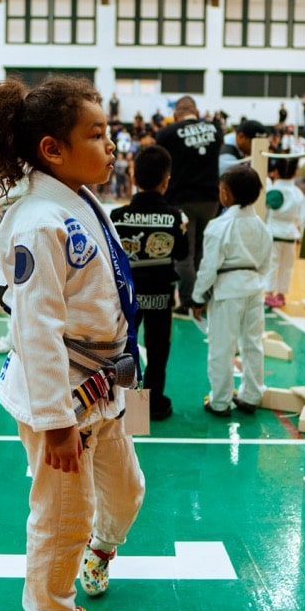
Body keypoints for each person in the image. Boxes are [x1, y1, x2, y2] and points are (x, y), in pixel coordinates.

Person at [0, 76, 145, 611]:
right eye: (96, 134)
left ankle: (101, 550)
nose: (111, 144)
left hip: (107, 384)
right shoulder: (38, 221)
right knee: (62, 513)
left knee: (127, 492)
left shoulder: (80, 200)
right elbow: (33, 330)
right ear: (52, 149)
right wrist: (55, 420)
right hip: (65, 396)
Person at [111, 145, 189, 421]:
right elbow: (181, 253)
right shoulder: (175, 217)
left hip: (126, 297)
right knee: (157, 351)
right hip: (160, 296)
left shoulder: (117, 217)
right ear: (167, 181)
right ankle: (153, 404)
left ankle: (129, 409)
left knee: (126, 349)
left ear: (133, 178)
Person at [191, 165, 272, 417]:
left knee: (221, 348)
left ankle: (220, 401)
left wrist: (197, 296)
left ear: (225, 193)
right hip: (253, 287)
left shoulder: (219, 225)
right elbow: (266, 263)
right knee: (253, 344)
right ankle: (251, 396)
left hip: (227, 291)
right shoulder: (261, 226)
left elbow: (208, 267)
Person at [154, 96, 223, 313]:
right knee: (203, 251)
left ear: (176, 114)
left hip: (181, 198)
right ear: (196, 111)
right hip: (210, 198)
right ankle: (202, 297)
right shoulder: (216, 129)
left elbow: (160, 163)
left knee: (184, 254)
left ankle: (187, 301)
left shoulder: (167, 133)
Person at [263, 156, 305, 309]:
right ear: (295, 173)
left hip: (272, 233)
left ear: (276, 172)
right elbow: (303, 217)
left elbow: (264, 213)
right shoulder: (298, 193)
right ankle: (281, 294)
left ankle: (268, 294)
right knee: (287, 267)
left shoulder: (271, 190)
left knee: (272, 264)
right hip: (290, 234)